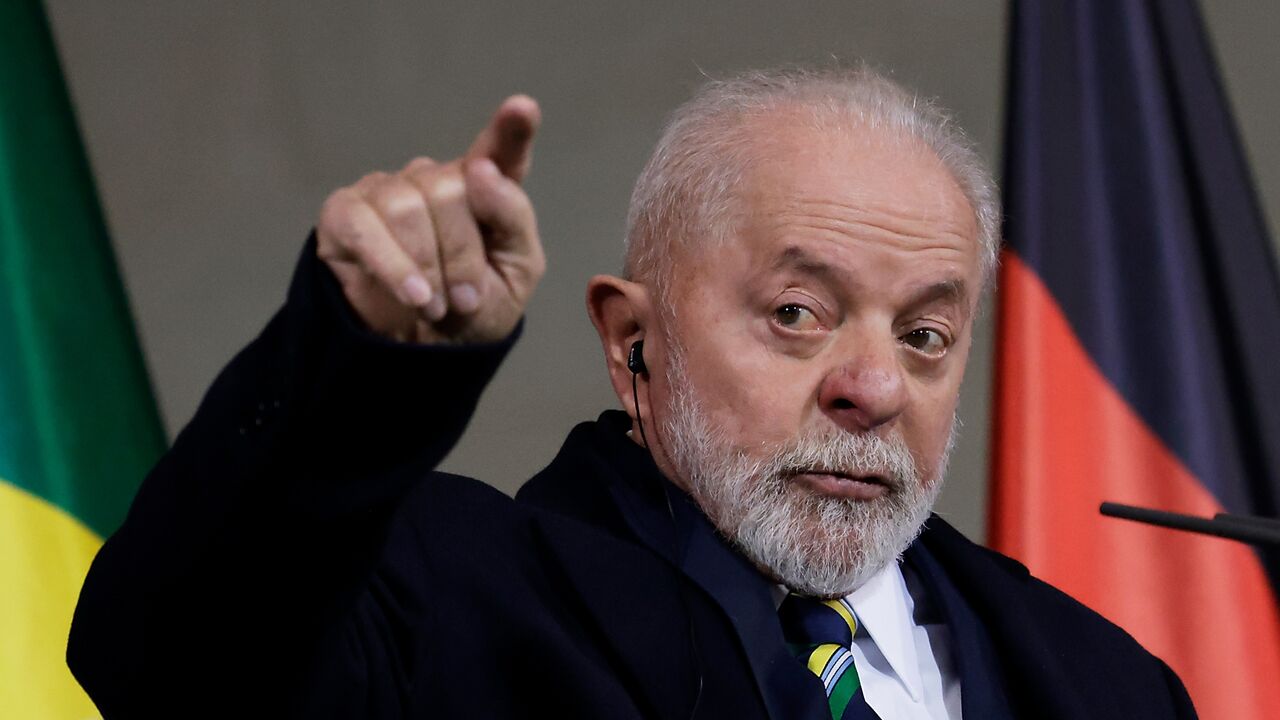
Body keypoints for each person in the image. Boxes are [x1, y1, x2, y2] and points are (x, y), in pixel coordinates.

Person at [68, 67, 1196, 719]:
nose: (869, 386)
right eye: (796, 314)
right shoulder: (441, 597)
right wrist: (367, 364)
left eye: (924, 335)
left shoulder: (1111, 686)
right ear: (632, 342)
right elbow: (166, 663)